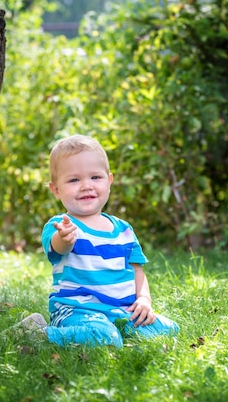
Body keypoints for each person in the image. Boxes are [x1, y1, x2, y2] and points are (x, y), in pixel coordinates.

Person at [22, 134, 178, 347]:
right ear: (56, 190)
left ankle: (117, 331)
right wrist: (65, 238)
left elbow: (136, 270)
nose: (86, 185)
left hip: (121, 311)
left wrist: (144, 300)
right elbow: (58, 247)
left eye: (95, 177)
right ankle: (38, 334)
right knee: (106, 337)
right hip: (77, 310)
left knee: (168, 329)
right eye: (74, 180)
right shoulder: (61, 225)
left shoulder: (123, 229)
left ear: (109, 181)